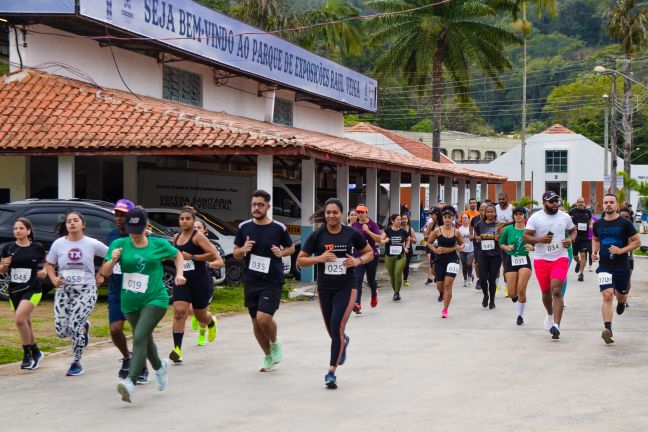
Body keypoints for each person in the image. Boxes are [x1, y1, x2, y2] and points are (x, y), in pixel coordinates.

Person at [101, 207, 186, 402]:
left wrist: (180, 274)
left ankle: (130, 381)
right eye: (132, 228)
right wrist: (113, 260)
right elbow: (105, 272)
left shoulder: (157, 244)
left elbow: (177, 255)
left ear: (146, 226)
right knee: (145, 339)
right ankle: (159, 367)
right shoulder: (119, 243)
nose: (135, 233)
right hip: (129, 301)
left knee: (139, 336)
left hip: (155, 298)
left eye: (138, 228)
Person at [297, 198, 373, 389]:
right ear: (325, 214)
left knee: (337, 325)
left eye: (335, 212)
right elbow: (300, 260)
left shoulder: (350, 233)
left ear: (342, 214)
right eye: (328, 212)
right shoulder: (317, 236)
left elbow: (369, 252)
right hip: (325, 289)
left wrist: (357, 262)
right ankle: (343, 342)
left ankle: (331, 372)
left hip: (347, 286)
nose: (331, 216)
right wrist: (319, 258)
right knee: (333, 332)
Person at [233, 190, 295, 372]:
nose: (256, 208)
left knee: (264, 318)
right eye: (254, 205)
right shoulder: (244, 227)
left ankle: (275, 343)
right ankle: (268, 355)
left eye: (260, 205)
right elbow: (236, 253)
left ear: (268, 206)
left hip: (272, 280)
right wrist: (243, 249)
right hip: (251, 280)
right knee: (255, 322)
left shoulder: (278, 228)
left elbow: (291, 248)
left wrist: (282, 253)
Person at [45, 212, 108, 376]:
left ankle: (76, 362)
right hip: (64, 290)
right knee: (61, 331)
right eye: (69, 221)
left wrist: (101, 274)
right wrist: (53, 279)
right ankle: (85, 327)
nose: (72, 223)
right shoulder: (58, 244)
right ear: (66, 225)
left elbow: (110, 256)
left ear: (83, 224)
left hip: (86, 289)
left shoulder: (91, 243)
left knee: (75, 326)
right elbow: (49, 264)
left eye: (76, 221)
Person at [106, 199, 149, 383]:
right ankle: (127, 357)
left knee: (138, 332)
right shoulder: (112, 236)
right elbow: (108, 258)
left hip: (136, 290)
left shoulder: (144, 236)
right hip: (117, 290)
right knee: (115, 329)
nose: (119, 218)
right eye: (117, 215)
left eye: (123, 215)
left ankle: (143, 367)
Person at [169, 207, 220, 363]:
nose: (184, 221)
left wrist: (192, 256)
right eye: (182, 219)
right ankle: (177, 349)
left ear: (193, 220)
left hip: (200, 280)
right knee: (179, 311)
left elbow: (212, 254)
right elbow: (176, 256)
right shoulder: (176, 237)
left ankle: (211, 322)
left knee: (200, 315)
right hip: (182, 279)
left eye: (187, 218)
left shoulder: (198, 237)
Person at [523, 191, 576, 340]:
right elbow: (526, 236)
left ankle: (556, 326)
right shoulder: (536, 217)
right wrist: (540, 240)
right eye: (551, 201)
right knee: (546, 293)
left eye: (556, 201)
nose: (554, 204)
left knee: (557, 290)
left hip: (560, 257)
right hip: (541, 259)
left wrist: (571, 239)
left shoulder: (564, 217)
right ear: (543, 202)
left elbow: (572, 231)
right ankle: (550, 314)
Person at [0, 218, 47, 370]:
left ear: (28, 231)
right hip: (15, 290)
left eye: (21, 228)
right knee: (26, 323)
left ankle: (27, 354)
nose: (18, 231)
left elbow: (48, 261)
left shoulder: (37, 247)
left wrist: (45, 270)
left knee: (20, 319)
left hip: (32, 289)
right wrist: (3, 266)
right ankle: (36, 352)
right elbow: (2, 270)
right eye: (15, 228)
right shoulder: (8, 248)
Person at [593, 199, 641, 344]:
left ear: (617, 205)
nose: (608, 204)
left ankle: (622, 301)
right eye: (606, 202)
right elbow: (595, 238)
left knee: (620, 296)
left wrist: (621, 250)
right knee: (607, 295)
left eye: (611, 202)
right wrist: (594, 251)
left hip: (621, 267)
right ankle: (608, 330)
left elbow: (637, 242)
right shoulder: (598, 224)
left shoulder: (625, 223)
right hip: (604, 266)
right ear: (602, 205)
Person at [499, 207, 533, 325]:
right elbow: (500, 243)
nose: (519, 216)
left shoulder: (529, 230)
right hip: (510, 259)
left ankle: (520, 316)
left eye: (521, 214)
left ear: (525, 216)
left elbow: (536, 243)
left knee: (521, 289)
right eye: (516, 214)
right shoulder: (508, 229)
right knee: (512, 293)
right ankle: (515, 296)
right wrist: (506, 247)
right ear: (513, 217)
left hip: (524, 260)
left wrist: (532, 247)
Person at [428, 206, 463, 318]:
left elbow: (462, 244)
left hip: (452, 258)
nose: (447, 219)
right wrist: (435, 250)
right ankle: (443, 294)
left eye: (449, 217)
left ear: (453, 219)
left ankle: (445, 309)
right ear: (442, 218)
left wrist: (459, 247)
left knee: (448, 284)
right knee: (440, 286)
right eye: (445, 217)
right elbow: (429, 242)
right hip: (440, 259)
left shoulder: (456, 231)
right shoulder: (437, 231)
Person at [351, 204, 381, 313]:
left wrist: (368, 231)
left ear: (366, 213)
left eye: (362, 212)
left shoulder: (373, 224)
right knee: (358, 279)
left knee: (370, 279)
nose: (360, 214)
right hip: (358, 256)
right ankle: (357, 303)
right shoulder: (354, 225)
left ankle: (374, 294)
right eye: (358, 212)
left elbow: (379, 240)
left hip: (372, 255)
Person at [474, 204, 501, 309]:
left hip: (495, 255)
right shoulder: (479, 224)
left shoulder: (498, 225)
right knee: (483, 278)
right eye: (488, 212)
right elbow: (475, 236)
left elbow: (502, 238)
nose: (490, 214)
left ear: (495, 213)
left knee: (492, 279)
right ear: (485, 213)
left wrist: (498, 238)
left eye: (492, 212)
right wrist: (477, 238)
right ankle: (486, 295)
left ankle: (492, 301)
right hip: (483, 255)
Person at [383, 214, 411, 301]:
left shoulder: (403, 231)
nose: (400, 221)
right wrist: (385, 240)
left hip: (401, 256)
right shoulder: (387, 231)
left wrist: (406, 247)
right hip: (389, 256)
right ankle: (395, 292)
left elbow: (408, 239)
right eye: (398, 220)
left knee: (398, 273)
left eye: (400, 220)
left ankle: (397, 293)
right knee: (392, 276)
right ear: (392, 221)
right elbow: (380, 239)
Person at [569, 197, 592, 282]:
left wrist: (590, 226)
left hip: (585, 237)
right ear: (576, 203)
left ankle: (581, 274)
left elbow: (590, 221)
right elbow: (568, 222)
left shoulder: (588, 212)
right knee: (575, 256)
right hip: (575, 237)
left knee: (583, 255)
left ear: (584, 203)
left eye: (582, 202)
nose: (580, 203)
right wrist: (571, 227)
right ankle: (578, 263)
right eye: (579, 202)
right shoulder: (572, 211)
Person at [618, 207, 635, 307]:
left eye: (626, 217)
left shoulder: (631, 229)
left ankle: (625, 297)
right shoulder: (614, 227)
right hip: (614, 259)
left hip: (628, 258)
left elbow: (634, 244)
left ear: (630, 218)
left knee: (627, 279)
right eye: (622, 217)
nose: (624, 219)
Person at [470, 203, 488, 291]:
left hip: (488, 244)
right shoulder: (475, 219)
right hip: (477, 244)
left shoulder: (490, 219)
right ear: (479, 210)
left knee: (487, 263)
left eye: (485, 210)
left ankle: (485, 278)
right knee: (477, 263)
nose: (483, 212)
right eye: (481, 210)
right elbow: (471, 226)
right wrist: (471, 235)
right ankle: (479, 279)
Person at [424, 208, 441, 285]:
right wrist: (431, 235)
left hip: (441, 248)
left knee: (440, 265)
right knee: (433, 269)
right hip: (433, 248)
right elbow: (425, 237)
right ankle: (436, 275)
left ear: (437, 215)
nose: (431, 217)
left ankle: (440, 277)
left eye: (432, 215)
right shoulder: (431, 225)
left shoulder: (443, 225)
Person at [401, 213, 418, 287]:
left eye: (406, 218)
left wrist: (408, 237)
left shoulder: (410, 229)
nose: (404, 220)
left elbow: (415, 241)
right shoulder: (398, 228)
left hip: (408, 249)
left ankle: (405, 280)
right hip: (399, 248)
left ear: (408, 220)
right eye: (402, 218)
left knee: (406, 265)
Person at [458, 213, 474, 287]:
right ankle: (465, 279)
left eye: (466, 218)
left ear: (468, 219)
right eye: (463, 218)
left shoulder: (471, 228)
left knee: (469, 263)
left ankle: (470, 277)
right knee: (464, 265)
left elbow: (474, 237)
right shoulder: (459, 229)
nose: (464, 219)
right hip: (463, 249)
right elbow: (458, 239)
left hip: (471, 248)